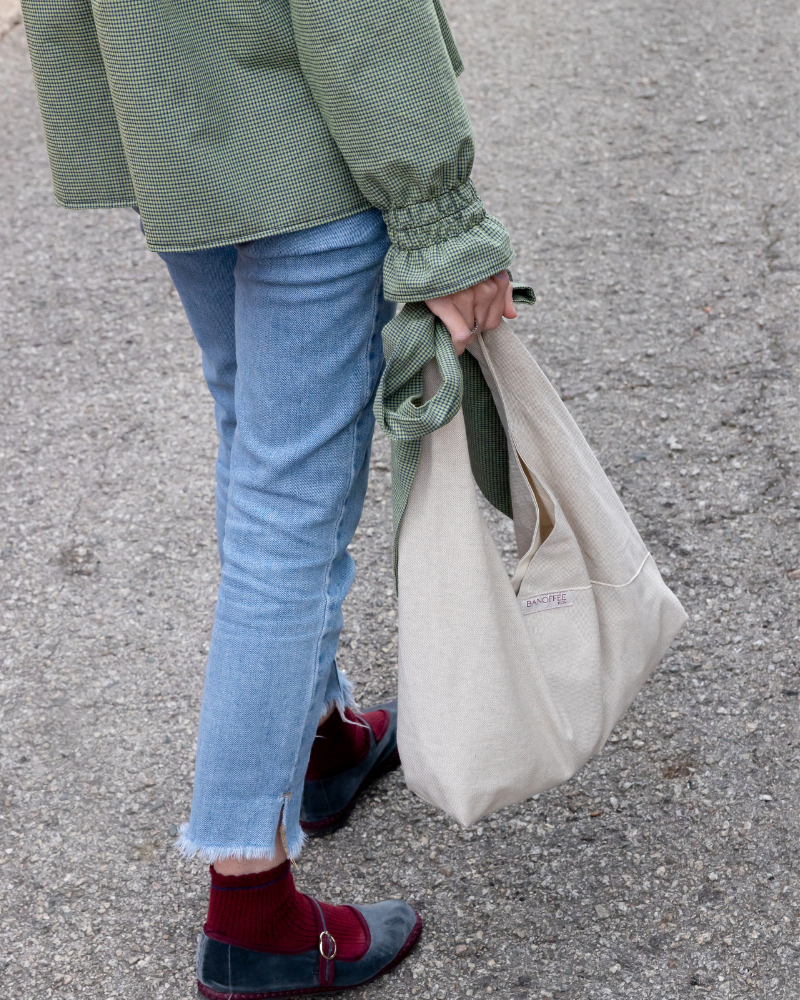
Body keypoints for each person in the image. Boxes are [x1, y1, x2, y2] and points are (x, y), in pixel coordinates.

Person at [21, 0, 518, 992]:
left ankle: (321, 738)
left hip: (175, 131)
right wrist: (440, 216)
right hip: (298, 138)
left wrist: (126, 127)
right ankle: (252, 912)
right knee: (289, 511)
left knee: (259, 444)